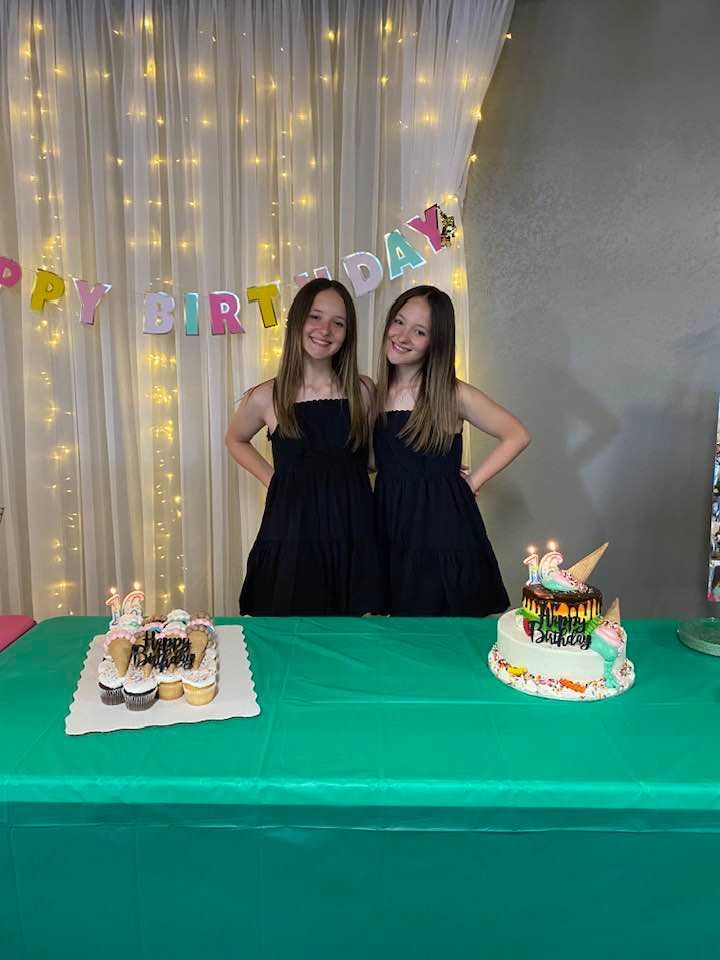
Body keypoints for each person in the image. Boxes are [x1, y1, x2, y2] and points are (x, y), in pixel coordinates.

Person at [225, 278, 382, 615]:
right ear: (297, 320)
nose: (325, 329)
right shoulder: (267, 395)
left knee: (355, 636)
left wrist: (430, 466)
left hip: (352, 528)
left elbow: (371, 458)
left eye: (338, 323)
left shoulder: (363, 391)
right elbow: (235, 440)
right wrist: (274, 480)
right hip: (292, 529)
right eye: (315, 317)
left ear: (347, 333)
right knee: (290, 631)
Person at [373, 285, 530, 616]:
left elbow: (516, 434)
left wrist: (472, 483)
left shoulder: (453, 394)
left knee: (447, 625)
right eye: (399, 322)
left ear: (437, 342)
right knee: (398, 626)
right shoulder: (374, 394)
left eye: (419, 332)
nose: (402, 336)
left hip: (442, 525)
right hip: (389, 519)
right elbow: (379, 460)